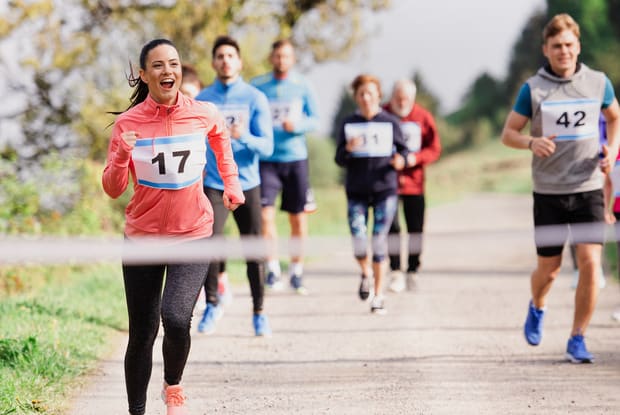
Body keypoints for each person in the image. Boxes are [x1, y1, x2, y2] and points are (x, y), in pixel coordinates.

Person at [102, 38, 244, 415]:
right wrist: (121, 154)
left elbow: (221, 140)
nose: (169, 71)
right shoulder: (128, 123)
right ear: (145, 75)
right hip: (142, 239)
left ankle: (174, 385)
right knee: (142, 333)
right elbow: (113, 189)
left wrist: (231, 183)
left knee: (177, 318)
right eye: (160, 66)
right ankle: (136, 410)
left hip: (194, 233)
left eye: (175, 64)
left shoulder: (203, 112)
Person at [500, 14, 620, 364]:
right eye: (557, 46)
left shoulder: (598, 83)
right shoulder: (533, 90)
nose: (564, 52)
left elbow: (615, 117)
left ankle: (577, 338)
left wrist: (611, 151)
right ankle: (538, 305)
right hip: (549, 192)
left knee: (590, 264)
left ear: (578, 46)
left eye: (569, 45)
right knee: (549, 271)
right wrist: (531, 142)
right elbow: (508, 134)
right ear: (545, 50)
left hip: (589, 187)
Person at [195, 35, 274, 336]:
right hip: (214, 182)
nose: (225, 60)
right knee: (210, 242)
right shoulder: (203, 100)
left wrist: (243, 136)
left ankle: (259, 312)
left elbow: (267, 147)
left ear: (239, 62)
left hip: (248, 183)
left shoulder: (255, 98)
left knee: (253, 248)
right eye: (220, 56)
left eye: (230, 55)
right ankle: (213, 304)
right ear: (213, 63)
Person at [334, 74, 409, 314]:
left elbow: (405, 152)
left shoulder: (390, 122)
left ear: (378, 95)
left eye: (370, 93)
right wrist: (348, 149)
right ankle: (365, 272)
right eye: (361, 94)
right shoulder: (348, 123)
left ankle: (378, 295)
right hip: (356, 191)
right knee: (358, 240)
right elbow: (338, 159)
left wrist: (401, 160)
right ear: (355, 97)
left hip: (385, 191)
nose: (366, 98)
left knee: (378, 242)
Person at [250, 39, 319, 294]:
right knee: (266, 216)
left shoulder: (303, 85)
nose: (281, 60)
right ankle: (272, 269)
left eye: (286, 56)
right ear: (271, 58)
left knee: (298, 219)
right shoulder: (258, 86)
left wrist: (297, 125)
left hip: (295, 159)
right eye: (277, 56)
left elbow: (316, 119)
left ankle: (297, 272)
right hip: (267, 160)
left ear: (293, 59)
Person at [383, 79, 441, 292]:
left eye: (406, 98)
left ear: (413, 98)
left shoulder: (423, 117)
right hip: (387, 183)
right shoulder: (383, 115)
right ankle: (396, 270)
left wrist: (414, 160)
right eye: (398, 97)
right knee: (392, 228)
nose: (401, 101)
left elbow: (434, 148)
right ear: (392, 96)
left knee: (415, 229)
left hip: (415, 184)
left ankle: (413, 270)